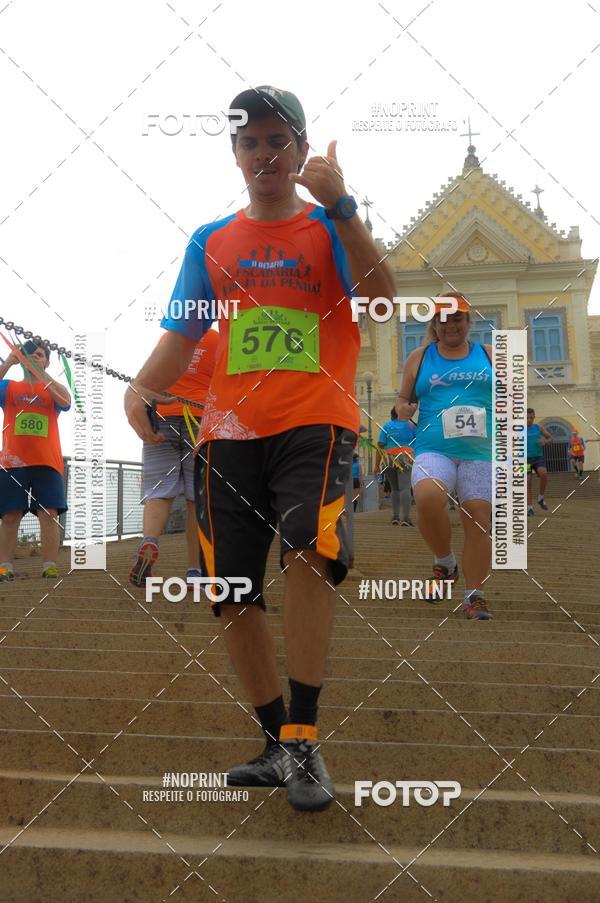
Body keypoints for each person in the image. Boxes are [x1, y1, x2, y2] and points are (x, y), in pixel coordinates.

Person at [124, 85, 395, 811]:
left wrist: (344, 208)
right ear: (236, 156)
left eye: (278, 140)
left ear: (302, 151)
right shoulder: (210, 241)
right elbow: (182, 335)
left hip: (317, 419)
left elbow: (381, 300)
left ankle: (305, 738)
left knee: (310, 544)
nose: (264, 153)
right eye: (250, 142)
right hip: (228, 433)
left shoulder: (331, 227)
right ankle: (276, 740)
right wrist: (140, 389)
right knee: (230, 589)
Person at [395, 293, 493, 620]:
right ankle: (445, 562)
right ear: (435, 325)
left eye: (458, 318)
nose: (451, 324)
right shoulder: (420, 357)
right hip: (434, 446)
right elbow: (401, 399)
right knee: (426, 497)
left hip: (481, 451)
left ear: (468, 323)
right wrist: (403, 407)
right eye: (444, 318)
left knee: (479, 517)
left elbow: (513, 400)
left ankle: (474, 596)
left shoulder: (490, 355)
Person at [129, 328, 218, 588]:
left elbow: (151, 375)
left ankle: (150, 541)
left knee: (159, 492)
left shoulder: (170, 337)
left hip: (162, 416)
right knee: (195, 499)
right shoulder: (217, 339)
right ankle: (194, 571)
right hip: (200, 419)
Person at [0, 341, 71, 580]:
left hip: (47, 461)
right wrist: (9, 361)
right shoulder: (9, 387)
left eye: (40, 355)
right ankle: (4, 567)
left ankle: (49, 565)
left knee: (48, 513)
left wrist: (41, 373)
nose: (35, 358)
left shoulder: (50, 388)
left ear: (47, 361)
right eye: (30, 355)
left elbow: (66, 401)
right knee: (10, 515)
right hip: (13, 462)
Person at [375, 407, 415, 525]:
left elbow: (380, 446)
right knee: (405, 488)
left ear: (392, 415)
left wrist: (376, 465)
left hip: (389, 458)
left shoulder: (387, 426)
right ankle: (406, 519)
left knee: (395, 489)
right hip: (406, 457)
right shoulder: (411, 426)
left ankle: (395, 517)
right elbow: (420, 442)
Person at [526, 408, 552, 516]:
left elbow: (550, 438)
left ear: (534, 417)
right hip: (524, 460)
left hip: (538, 458)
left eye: (531, 418)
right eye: (527, 418)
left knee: (544, 474)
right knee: (527, 481)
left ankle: (540, 498)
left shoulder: (538, 427)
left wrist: (545, 442)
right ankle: (529, 508)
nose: (529, 420)